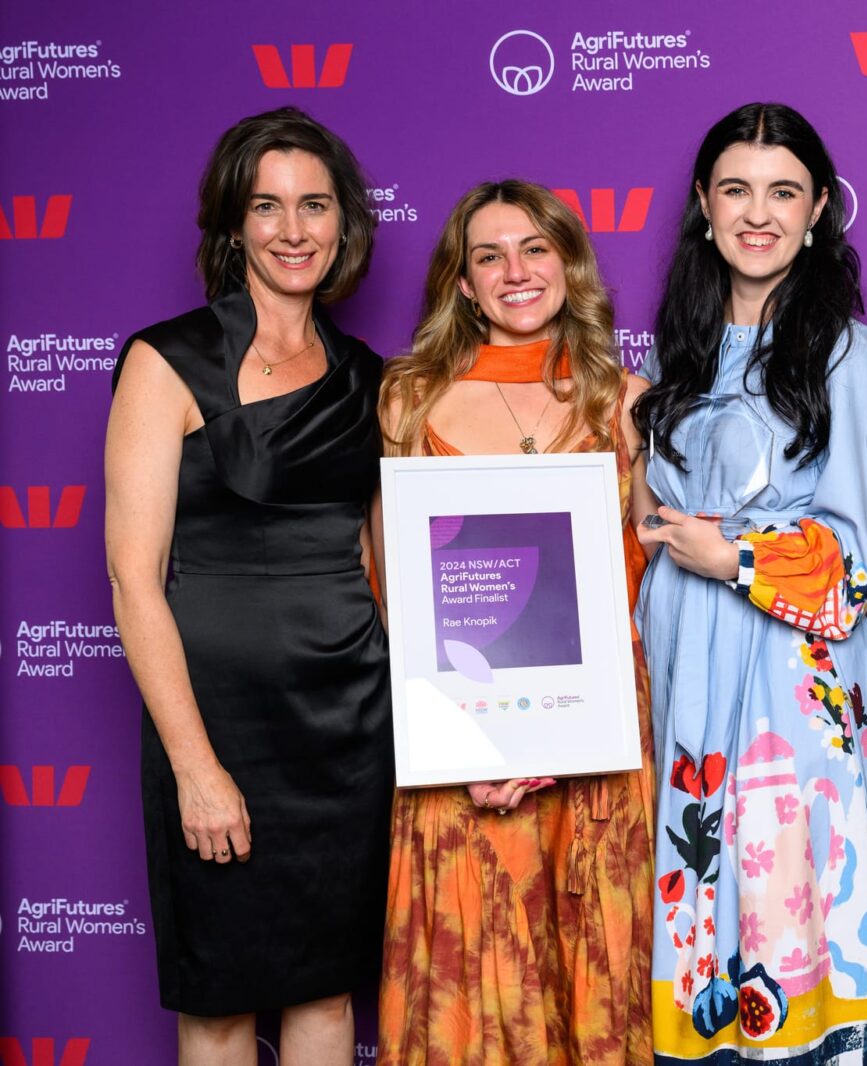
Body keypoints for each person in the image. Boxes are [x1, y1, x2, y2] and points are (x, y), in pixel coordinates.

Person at [105, 106, 389, 1065]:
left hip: (348, 722)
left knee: (325, 995)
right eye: (267, 208)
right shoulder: (166, 361)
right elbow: (132, 580)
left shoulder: (369, 379)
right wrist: (195, 767)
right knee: (221, 1006)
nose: (294, 229)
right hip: (217, 720)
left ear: (344, 223)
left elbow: (388, 564)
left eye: (315, 206)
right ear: (235, 226)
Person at [632, 102, 867, 1064]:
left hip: (789, 699)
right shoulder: (681, 352)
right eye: (736, 190)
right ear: (704, 207)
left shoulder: (844, 352)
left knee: (784, 915)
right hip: (687, 680)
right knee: (701, 903)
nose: (758, 213)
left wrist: (734, 557)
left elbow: (855, 562)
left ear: (819, 208)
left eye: (783, 191)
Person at [373, 180, 656, 1065]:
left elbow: (644, 574)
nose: (515, 272)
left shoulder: (625, 399)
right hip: (463, 739)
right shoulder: (409, 401)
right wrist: (482, 741)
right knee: (476, 965)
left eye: (535, 248)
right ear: (461, 283)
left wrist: (568, 729)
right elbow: (395, 584)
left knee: (598, 966)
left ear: (569, 264)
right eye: (487, 256)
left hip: (600, 740)